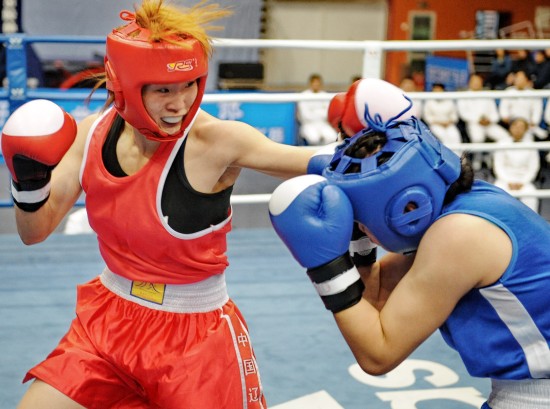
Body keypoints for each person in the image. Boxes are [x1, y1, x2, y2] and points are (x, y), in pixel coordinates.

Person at [2, 1, 315, 408]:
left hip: (195, 338)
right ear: (126, 87)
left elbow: (313, 162)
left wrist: (371, 144)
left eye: (189, 86)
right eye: (164, 89)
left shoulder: (217, 140)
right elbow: (33, 232)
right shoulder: (89, 136)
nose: (180, 103)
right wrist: (29, 184)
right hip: (108, 321)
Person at [268, 78, 550, 409]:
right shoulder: (467, 201)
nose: (358, 227)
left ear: (407, 208)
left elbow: (378, 354)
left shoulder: (459, 235)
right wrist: (359, 242)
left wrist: (326, 267)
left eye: (361, 221)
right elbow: (376, 297)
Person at [456, 73, 509, 170]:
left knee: (504, 136)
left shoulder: (486, 95)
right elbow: (463, 113)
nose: (476, 83)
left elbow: (495, 114)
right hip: (473, 123)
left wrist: (490, 120)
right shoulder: (464, 95)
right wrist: (478, 120)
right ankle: (478, 159)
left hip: (489, 124)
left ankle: (493, 157)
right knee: (478, 138)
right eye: (474, 81)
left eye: (478, 81)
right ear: (469, 83)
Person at [493, 117, 541, 213]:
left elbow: (533, 167)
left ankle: (530, 224)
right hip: (504, 180)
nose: (518, 129)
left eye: (521, 127)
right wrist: (508, 181)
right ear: (510, 128)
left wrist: (523, 182)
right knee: (497, 195)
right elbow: (498, 166)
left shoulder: (531, 144)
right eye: (515, 126)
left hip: (524, 180)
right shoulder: (501, 143)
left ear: (526, 129)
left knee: (531, 195)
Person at [296, 73, 338, 145]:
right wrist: (321, 112)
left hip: (323, 124)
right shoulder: (303, 95)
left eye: (318, 83)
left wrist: (314, 111)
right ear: (310, 84)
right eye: (314, 83)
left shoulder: (325, 95)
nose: (316, 85)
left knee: (332, 137)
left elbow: (327, 114)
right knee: (313, 139)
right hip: (308, 124)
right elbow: (306, 115)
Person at [422, 82, 463, 149]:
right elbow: (427, 117)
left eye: (439, 89)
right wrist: (439, 122)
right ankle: (447, 158)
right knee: (444, 138)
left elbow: (454, 115)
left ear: (443, 90)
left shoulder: (449, 100)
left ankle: (458, 157)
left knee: (455, 136)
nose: (437, 91)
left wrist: (449, 122)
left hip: (449, 124)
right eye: (435, 90)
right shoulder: (429, 101)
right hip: (435, 125)